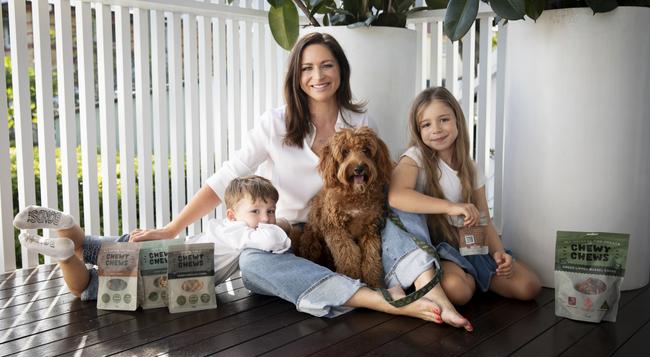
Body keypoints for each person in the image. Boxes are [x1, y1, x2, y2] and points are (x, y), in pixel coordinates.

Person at [127, 33, 473, 330]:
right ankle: (377, 299)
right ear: (296, 75)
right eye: (307, 68)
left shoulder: (358, 120)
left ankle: (431, 291)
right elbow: (226, 178)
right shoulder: (274, 124)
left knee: (395, 197)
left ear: (341, 70)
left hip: (355, 229)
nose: (318, 75)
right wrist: (173, 229)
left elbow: (378, 175)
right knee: (251, 262)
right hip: (293, 236)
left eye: (327, 65)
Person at [13, 175, 290, 301]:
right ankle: (62, 255)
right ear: (232, 215)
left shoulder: (222, 226)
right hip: (160, 274)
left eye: (271, 210)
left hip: (158, 249)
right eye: (256, 211)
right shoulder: (246, 234)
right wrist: (284, 226)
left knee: (84, 246)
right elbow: (272, 240)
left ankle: (65, 223)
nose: (265, 218)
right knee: (83, 287)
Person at [387, 86, 541, 305]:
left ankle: (476, 276)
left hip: (472, 245)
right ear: (418, 130)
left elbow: (483, 217)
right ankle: (463, 279)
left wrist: (498, 253)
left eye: (444, 120)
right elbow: (396, 196)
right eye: (426, 124)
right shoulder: (415, 157)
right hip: (442, 250)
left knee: (529, 286)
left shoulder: (471, 167)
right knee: (458, 291)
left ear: (458, 121)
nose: (436, 129)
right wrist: (450, 207)